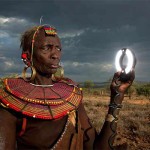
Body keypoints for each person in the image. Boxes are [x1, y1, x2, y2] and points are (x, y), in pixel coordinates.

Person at [0, 25, 135, 150]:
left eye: (58, 48)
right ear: (27, 56)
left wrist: (117, 96)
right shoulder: (11, 101)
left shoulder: (71, 97)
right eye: (46, 48)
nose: (55, 55)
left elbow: (95, 147)